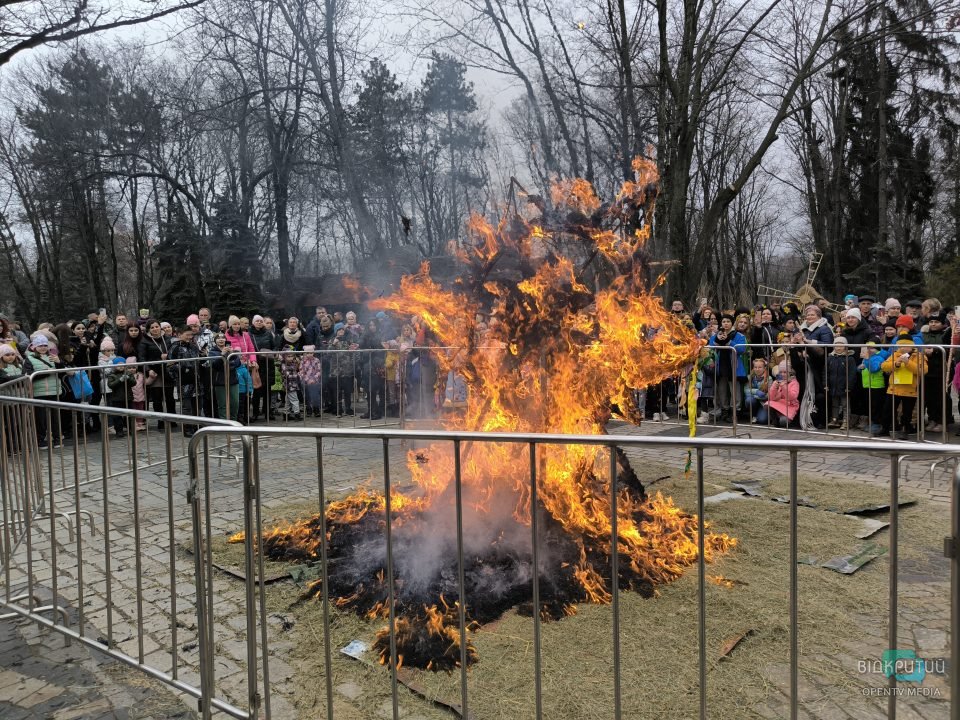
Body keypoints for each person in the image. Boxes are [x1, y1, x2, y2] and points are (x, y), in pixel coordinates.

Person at [876, 315, 926, 439]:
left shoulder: (918, 356)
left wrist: (908, 363)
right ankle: (885, 429)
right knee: (888, 410)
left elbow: (922, 370)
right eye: (901, 346)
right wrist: (896, 363)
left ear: (912, 346)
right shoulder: (895, 354)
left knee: (907, 412)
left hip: (910, 389)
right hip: (894, 388)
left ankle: (905, 429)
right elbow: (884, 366)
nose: (903, 348)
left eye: (906, 346)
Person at [790, 304, 833, 430]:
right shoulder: (802, 329)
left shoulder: (824, 329)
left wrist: (807, 342)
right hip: (805, 365)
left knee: (818, 393)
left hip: (819, 365)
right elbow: (800, 345)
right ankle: (804, 417)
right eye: (807, 315)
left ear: (819, 316)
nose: (809, 317)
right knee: (804, 392)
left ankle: (820, 419)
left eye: (812, 314)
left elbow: (828, 345)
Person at [23, 334, 62, 447]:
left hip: (54, 391)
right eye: (40, 345)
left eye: (45, 345)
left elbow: (61, 371)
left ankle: (57, 439)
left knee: (55, 418)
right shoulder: (29, 359)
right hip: (39, 392)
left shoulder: (53, 356)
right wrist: (45, 373)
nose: (43, 348)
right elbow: (27, 375)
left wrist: (59, 362)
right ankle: (41, 440)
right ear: (34, 347)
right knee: (41, 419)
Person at [708, 314, 747, 422]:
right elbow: (710, 347)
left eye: (728, 321)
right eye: (724, 321)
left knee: (735, 392)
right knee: (722, 390)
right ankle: (724, 410)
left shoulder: (739, 335)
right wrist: (717, 339)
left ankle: (735, 411)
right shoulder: (716, 335)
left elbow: (742, 349)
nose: (726, 323)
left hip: (734, 367)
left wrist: (729, 341)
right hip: (720, 367)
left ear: (732, 323)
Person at [138, 320, 175, 429]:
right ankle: (161, 421)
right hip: (154, 372)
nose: (155, 329)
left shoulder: (168, 339)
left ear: (160, 327)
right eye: (152, 327)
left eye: (156, 326)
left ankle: (172, 419)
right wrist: (148, 370)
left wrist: (168, 357)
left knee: (170, 397)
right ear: (149, 329)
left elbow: (173, 353)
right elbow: (142, 358)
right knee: (157, 398)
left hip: (167, 371)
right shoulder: (144, 341)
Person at [169, 326, 204, 437]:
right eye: (187, 334)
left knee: (197, 405)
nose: (190, 337)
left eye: (191, 335)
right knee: (186, 406)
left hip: (196, 380)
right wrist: (182, 371)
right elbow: (170, 365)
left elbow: (199, 360)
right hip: (184, 381)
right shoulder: (174, 347)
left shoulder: (194, 346)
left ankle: (197, 425)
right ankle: (187, 428)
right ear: (179, 335)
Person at [920, 312, 950, 434]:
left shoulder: (946, 334)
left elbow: (948, 347)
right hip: (927, 370)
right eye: (931, 322)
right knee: (929, 397)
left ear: (942, 324)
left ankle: (942, 421)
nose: (933, 324)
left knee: (941, 397)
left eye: (936, 322)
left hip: (941, 369)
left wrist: (935, 351)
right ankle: (932, 419)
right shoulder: (924, 334)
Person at [826, 337, 858, 429]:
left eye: (841, 345)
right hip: (833, 386)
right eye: (836, 345)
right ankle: (835, 419)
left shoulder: (849, 358)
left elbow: (852, 374)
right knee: (834, 403)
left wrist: (849, 385)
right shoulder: (830, 358)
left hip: (844, 386)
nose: (838, 348)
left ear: (845, 346)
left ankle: (846, 420)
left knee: (845, 405)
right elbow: (826, 372)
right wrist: (826, 384)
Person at [209, 334, 240, 421]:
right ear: (215, 341)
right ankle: (225, 423)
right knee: (223, 404)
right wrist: (222, 355)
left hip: (233, 380)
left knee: (235, 403)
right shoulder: (212, 352)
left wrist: (232, 354)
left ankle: (234, 422)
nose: (221, 340)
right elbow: (216, 365)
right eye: (218, 338)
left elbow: (238, 363)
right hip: (220, 382)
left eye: (223, 338)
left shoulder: (231, 351)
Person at [761, 363, 800, 428]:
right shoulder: (778, 381)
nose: (782, 374)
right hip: (779, 405)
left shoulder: (794, 383)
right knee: (768, 404)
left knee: (783, 422)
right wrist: (774, 387)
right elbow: (771, 398)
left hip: (789, 406)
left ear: (789, 373)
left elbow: (792, 397)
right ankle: (775, 420)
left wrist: (783, 386)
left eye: (785, 372)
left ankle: (783, 420)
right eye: (781, 372)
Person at [742, 357, 771, 423]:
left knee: (762, 420)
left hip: (763, 403)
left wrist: (754, 394)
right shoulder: (750, 377)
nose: (757, 369)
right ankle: (753, 415)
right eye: (755, 367)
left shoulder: (769, 379)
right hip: (754, 400)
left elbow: (769, 395)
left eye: (760, 367)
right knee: (749, 400)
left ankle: (761, 415)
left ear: (764, 368)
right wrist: (756, 392)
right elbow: (746, 390)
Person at [300, 345, 323, 417]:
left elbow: (319, 371)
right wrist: (307, 379)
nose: (309, 354)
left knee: (315, 396)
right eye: (307, 353)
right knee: (307, 397)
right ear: (305, 353)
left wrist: (314, 379)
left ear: (313, 353)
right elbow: (301, 371)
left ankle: (316, 410)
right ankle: (308, 410)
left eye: (311, 353)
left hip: (315, 382)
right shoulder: (303, 361)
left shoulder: (317, 360)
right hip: (306, 382)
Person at [280, 349, 303, 420]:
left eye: (291, 356)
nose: (290, 358)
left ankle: (286, 414)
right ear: (284, 357)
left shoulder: (293, 363)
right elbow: (286, 375)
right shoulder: (283, 365)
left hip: (293, 384)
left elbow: (295, 371)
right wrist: (297, 375)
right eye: (288, 356)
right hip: (289, 385)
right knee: (295, 400)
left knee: (288, 400)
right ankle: (297, 414)